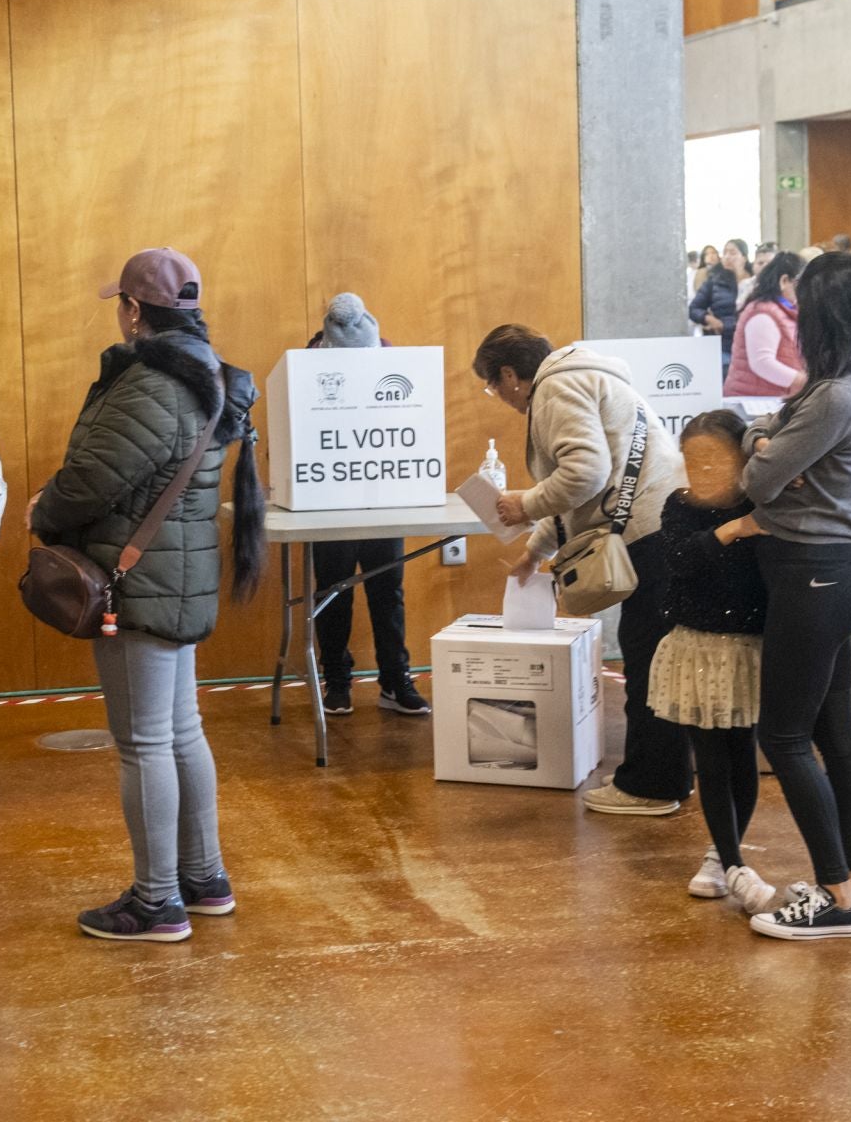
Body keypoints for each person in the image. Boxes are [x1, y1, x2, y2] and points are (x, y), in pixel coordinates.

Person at [29, 248, 264, 943]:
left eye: (121, 306)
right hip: (177, 575)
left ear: (134, 310)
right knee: (180, 731)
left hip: (139, 580)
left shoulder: (153, 384)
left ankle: (157, 901)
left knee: (142, 743)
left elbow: (97, 477)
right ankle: (203, 879)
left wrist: (46, 508)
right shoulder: (206, 376)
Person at [736, 251, 851, 941]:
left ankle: (835, 899)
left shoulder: (834, 394)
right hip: (836, 575)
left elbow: (757, 479)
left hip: (810, 572)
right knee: (836, 735)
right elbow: (774, 461)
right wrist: (772, 444)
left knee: (784, 735)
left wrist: (762, 441)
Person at [472, 325, 688, 816]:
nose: (498, 397)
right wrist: (536, 549)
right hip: (663, 527)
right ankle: (668, 771)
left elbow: (584, 473)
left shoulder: (555, 388)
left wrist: (522, 504)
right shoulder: (586, 376)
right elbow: (585, 484)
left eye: (492, 386)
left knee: (647, 659)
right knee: (655, 654)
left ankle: (651, 786)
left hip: (647, 536)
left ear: (510, 374)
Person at [648, 410, 787, 913]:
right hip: (697, 647)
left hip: (747, 647)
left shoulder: (763, 504)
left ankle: (722, 856)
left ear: (742, 458)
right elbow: (678, 561)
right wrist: (730, 532)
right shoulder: (679, 507)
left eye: (714, 458)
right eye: (692, 460)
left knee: (740, 751)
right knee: (708, 756)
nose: (702, 470)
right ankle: (731, 862)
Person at [302, 294, 425, 716]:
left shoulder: (389, 357)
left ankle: (395, 680)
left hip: (381, 496)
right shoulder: (309, 363)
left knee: (387, 592)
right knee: (333, 592)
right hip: (330, 500)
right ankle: (337, 680)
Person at [724, 251, 805, 398]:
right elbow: (762, 363)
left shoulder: (785, 310)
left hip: (773, 397)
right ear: (784, 281)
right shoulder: (763, 312)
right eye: (800, 284)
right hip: (754, 401)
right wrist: (802, 381)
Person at [688, 240, 747, 370]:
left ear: (744, 257)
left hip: (749, 346)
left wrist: (725, 325)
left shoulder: (753, 282)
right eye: (725, 253)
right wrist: (708, 318)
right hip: (723, 346)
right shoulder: (714, 281)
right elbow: (694, 309)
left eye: (733, 253)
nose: (727, 257)